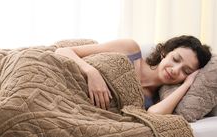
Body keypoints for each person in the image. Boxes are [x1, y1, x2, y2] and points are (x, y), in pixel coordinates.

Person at [55, 35, 211, 114]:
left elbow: (154, 115)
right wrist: (91, 72)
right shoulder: (130, 49)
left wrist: (187, 84)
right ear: (164, 53)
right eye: (175, 59)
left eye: (186, 71)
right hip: (63, 86)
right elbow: (63, 51)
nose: (175, 70)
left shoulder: (157, 99)